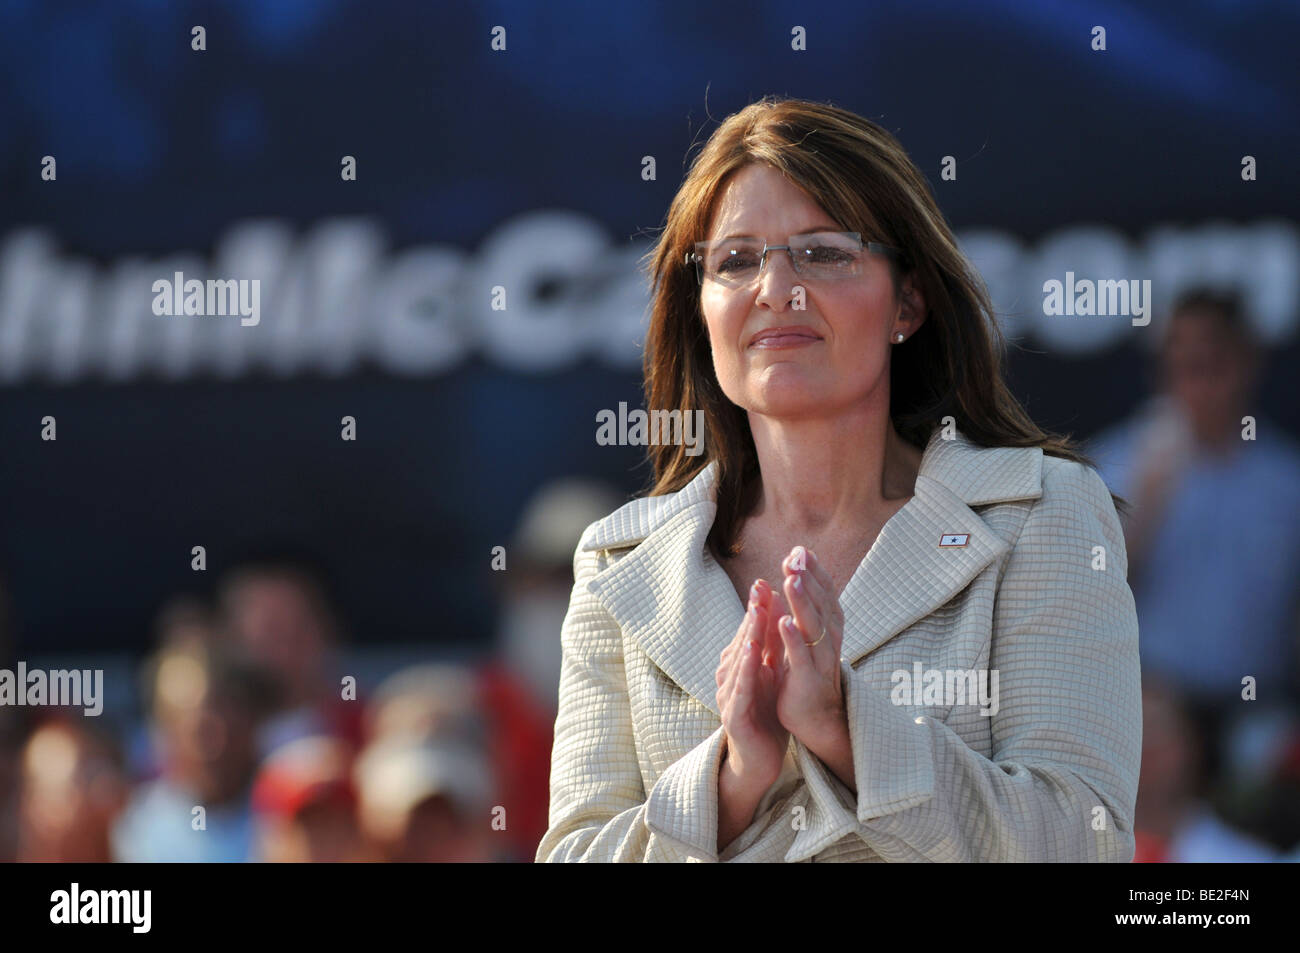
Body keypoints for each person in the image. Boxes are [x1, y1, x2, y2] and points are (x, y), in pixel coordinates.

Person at [536, 95, 1142, 863]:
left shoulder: (1042, 511)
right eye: (736, 259)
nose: (775, 287)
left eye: (822, 252)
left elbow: (1080, 840)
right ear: (701, 308)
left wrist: (847, 729)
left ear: (909, 300)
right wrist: (731, 779)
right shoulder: (620, 562)